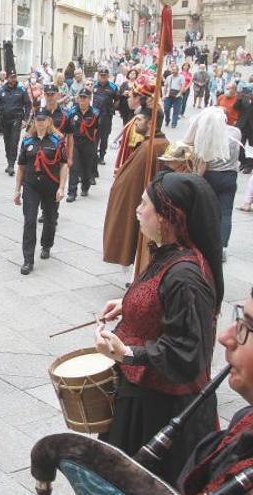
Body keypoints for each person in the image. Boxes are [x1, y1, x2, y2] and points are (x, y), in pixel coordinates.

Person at [94, 171, 223, 485]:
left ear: (167, 217)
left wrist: (128, 353)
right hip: (143, 397)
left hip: (161, 410)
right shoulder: (168, 254)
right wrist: (129, 303)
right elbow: (160, 297)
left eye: (144, 204)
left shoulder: (186, 277)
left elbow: (187, 353)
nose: (138, 210)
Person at [177, 288, 253, 494]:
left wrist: (129, 354)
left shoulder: (186, 276)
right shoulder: (244, 418)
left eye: (249, 325)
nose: (224, 337)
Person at [103, 107, 168, 267]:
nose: (135, 124)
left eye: (139, 120)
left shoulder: (149, 147)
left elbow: (129, 183)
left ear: (151, 122)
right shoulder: (157, 144)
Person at [13, 109, 69, 275]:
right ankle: (28, 260)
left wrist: (61, 187)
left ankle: (46, 245)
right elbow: (21, 167)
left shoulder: (57, 141)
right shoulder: (27, 141)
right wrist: (17, 190)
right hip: (31, 185)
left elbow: (64, 164)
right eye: (37, 120)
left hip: (51, 184)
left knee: (50, 219)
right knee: (29, 220)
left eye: (43, 120)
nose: (40, 123)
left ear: (49, 121)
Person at [185, 107, 241, 259]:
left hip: (211, 176)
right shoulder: (236, 132)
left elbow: (204, 161)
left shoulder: (209, 135)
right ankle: (222, 246)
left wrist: (196, 178)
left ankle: (201, 241)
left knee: (205, 209)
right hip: (230, 176)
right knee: (225, 212)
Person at [0, 70, 33, 177]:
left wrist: (25, 119)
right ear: (8, 78)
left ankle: (11, 165)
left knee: (14, 142)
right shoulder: (2, 90)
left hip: (17, 119)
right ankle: (9, 161)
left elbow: (28, 105)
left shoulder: (21, 90)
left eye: (14, 77)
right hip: (4, 120)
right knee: (7, 142)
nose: (13, 79)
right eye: (11, 77)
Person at [66, 89, 99, 202]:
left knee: (86, 168)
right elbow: (67, 129)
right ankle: (72, 192)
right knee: (74, 168)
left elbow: (96, 129)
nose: (82, 100)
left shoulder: (95, 113)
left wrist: (92, 142)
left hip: (88, 143)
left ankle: (85, 187)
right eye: (81, 97)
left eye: (85, 98)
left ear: (89, 99)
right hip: (75, 143)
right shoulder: (72, 112)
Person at [92, 68, 119, 165]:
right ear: (98, 75)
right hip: (95, 115)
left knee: (104, 137)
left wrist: (112, 108)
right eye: (101, 75)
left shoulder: (113, 87)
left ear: (108, 76)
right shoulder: (94, 85)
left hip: (107, 115)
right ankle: (94, 156)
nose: (102, 77)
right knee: (94, 136)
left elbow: (117, 99)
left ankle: (102, 156)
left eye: (104, 75)